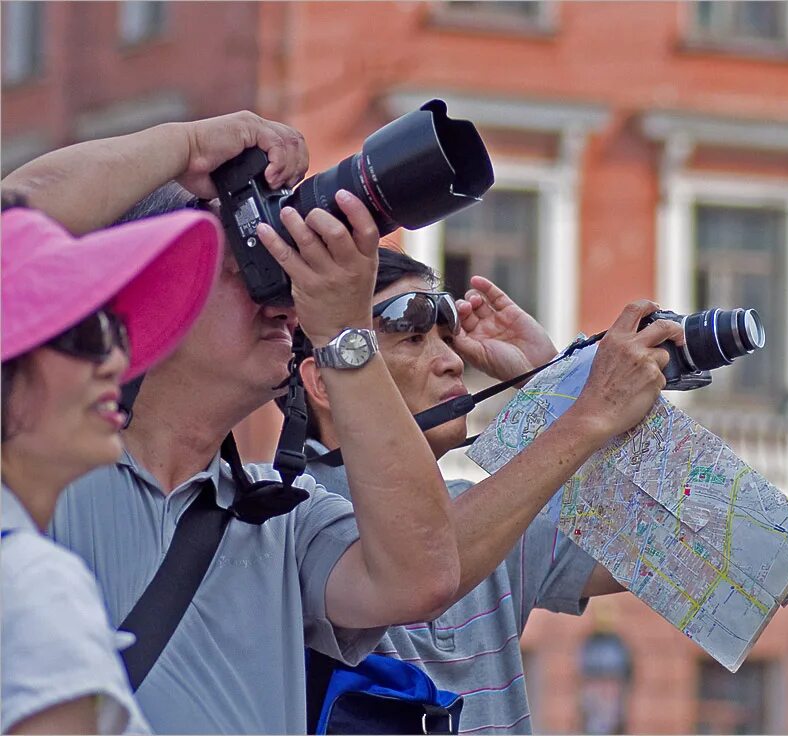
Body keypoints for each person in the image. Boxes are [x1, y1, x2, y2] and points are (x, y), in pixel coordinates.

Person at [4, 112, 461, 734]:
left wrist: (344, 333)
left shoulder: (280, 514)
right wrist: (186, 146)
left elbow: (423, 575)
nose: (283, 298)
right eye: (247, 267)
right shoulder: (42, 467)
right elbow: (16, 229)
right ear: (152, 290)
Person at [297, 247, 683, 733]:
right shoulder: (287, 524)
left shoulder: (489, 515)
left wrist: (555, 382)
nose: (451, 361)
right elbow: (424, 563)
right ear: (327, 381)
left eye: (446, 337)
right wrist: (590, 411)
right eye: (413, 337)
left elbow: (684, 546)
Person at [1, 194, 222, 734]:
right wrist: (190, 145)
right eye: (84, 334)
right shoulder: (33, 579)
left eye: (115, 332)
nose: (118, 362)